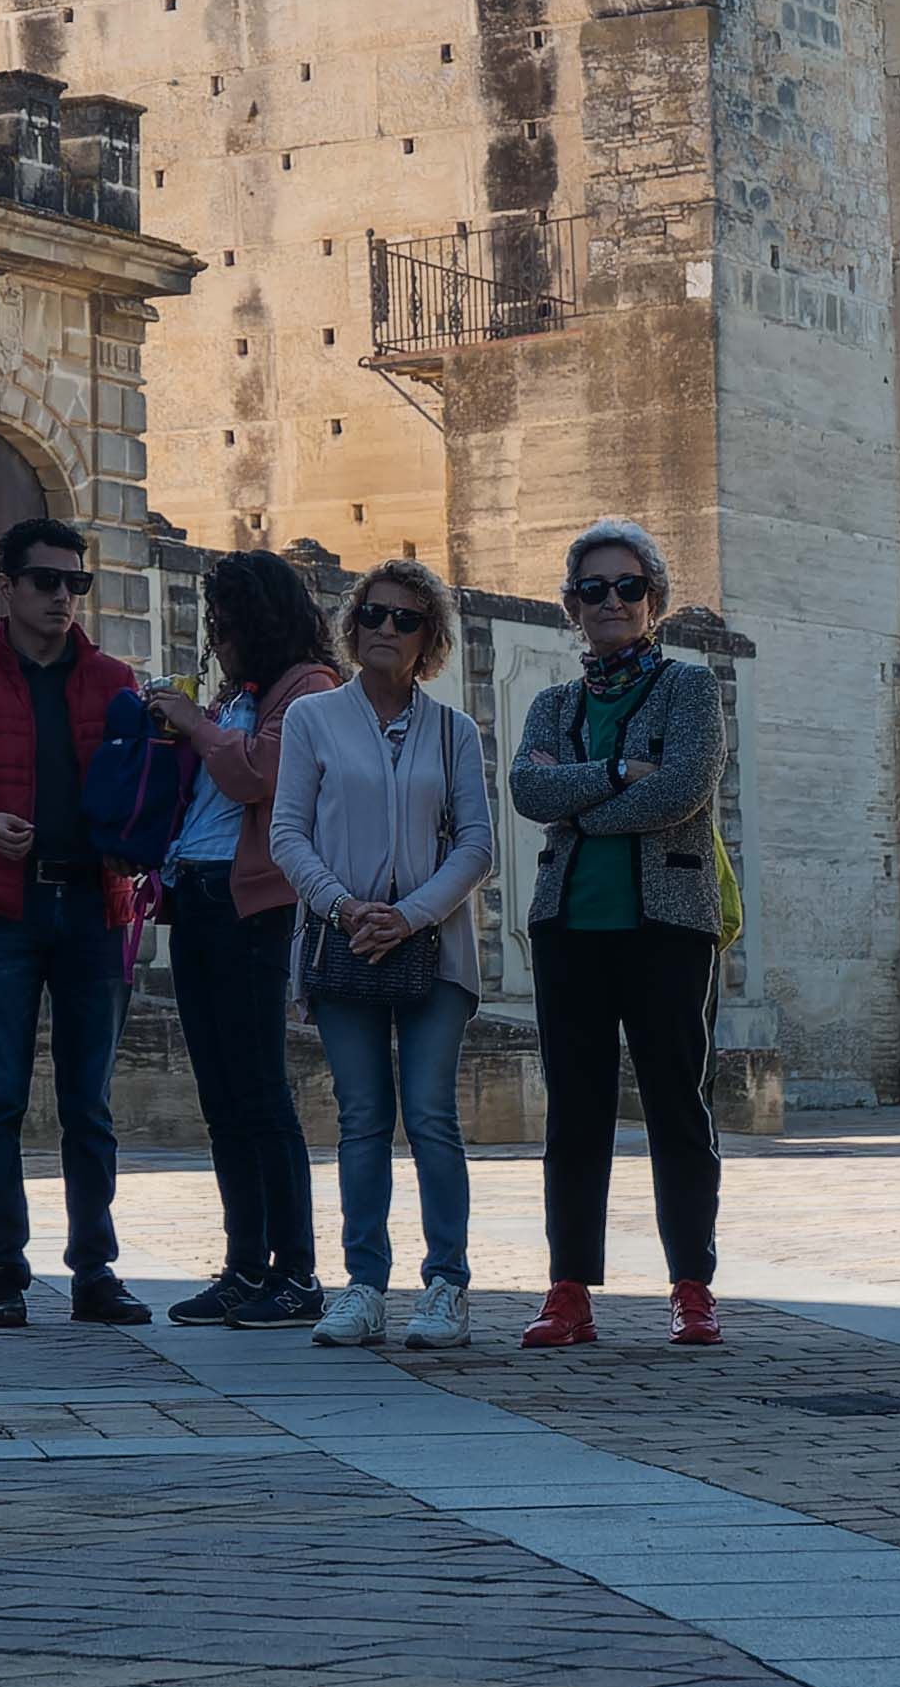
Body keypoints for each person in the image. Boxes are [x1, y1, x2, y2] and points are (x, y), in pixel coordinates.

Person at [0, 514, 149, 1327]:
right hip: (3, 912)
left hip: (95, 905)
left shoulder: (118, 679)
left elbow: (145, 796)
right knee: (0, 1098)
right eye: (46, 580)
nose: (62, 596)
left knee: (89, 1102)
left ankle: (94, 1272)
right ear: (6, 586)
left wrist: (134, 848)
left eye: (75, 582)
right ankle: (2, 1271)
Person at [511, 518, 736, 1350]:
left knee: (679, 1103)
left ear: (655, 601)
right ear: (573, 604)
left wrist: (577, 800)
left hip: (668, 924)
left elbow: (681, 787)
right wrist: (611, 773)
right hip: (568, 924)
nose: (612, 601)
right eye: (595, 588)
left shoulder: (688, 687)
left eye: (629, 586)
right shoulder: (550, 702)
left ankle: (692, 1286)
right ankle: (569, 1287)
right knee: (576, 1109)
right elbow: (525, 793)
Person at [266, 557, 498, 1352]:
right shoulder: (313, 720)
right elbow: (287, 832)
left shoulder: (454, 729)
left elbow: (477, 846)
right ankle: (363, 1286)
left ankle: (446, 1285)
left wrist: (408, 915)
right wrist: (342, 905)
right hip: (343, 942)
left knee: (432, 1114)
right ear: (352, 623)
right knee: (362, 1116)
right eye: (373, 613)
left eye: (405, 618)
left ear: (428, 636)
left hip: (434, 946)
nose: (386, 629)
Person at [141, 554, 341, 1330]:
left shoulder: (311, 691)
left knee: (261, 1090)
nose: (215, 635)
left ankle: (295, 1274)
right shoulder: (235, 694)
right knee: (221, 1094)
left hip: (252, 904)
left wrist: (193, 724)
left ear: (260, 617)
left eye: (225, 619)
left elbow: (260, 774)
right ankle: (242, 1266)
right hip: (194, 897)